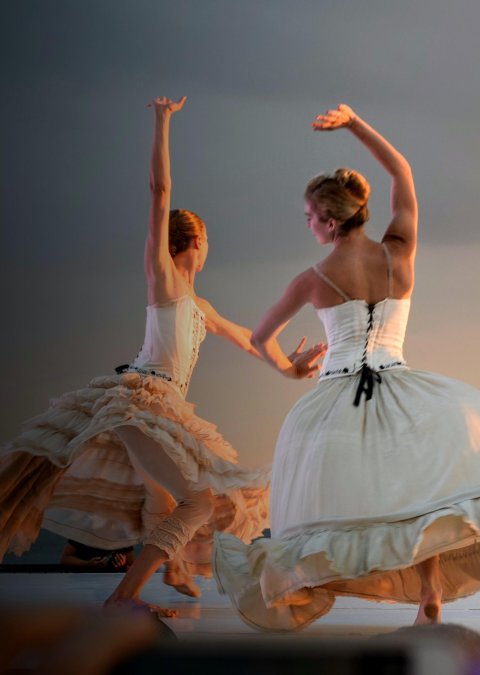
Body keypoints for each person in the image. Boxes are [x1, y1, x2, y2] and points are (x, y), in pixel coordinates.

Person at [213, 104, 480, 631]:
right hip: (405, 386)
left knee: (349, 506)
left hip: (338, 396)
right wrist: (354, 122)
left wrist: (292, 370)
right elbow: (402, 172)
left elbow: (258, 338)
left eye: (309, 217)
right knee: (421, 501)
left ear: (331, 220)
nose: (307, 225)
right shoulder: (400, 252)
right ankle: (429, 592)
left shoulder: (313, 277)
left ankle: (312, 588)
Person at [0, 96, 305, 616]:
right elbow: (159, 191)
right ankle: (126, 598)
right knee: (196, 500)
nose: (210, 246)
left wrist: (292, 366)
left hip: (159, 406)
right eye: (207, 239)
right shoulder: (163, 280)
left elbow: (251, 341)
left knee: (164, 503)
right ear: (196, 241)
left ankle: (170, 570)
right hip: (140, 399)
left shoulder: (200, 305)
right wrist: (163, 121)